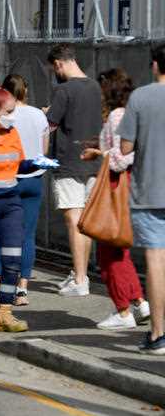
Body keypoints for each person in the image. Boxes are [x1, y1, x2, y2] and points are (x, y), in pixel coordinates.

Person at [0, 86, 59, 335]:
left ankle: (5, 313)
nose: (13, 115)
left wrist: (37, 163)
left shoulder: (11, 133)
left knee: (12, 259)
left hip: (11, 202)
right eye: (9, 111)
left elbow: (18, 165)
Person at [80, 69, 149, 330]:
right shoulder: (131, 114)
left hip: (116, 186)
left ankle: (122, 311)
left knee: (108, 252)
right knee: (119, 248)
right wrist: (101, 151)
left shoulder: (117, 117)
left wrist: (102, 154)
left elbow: (123, 157)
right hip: (131, 186)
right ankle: (139, 301)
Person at [118, 45, 165, 354]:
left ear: (156, 65)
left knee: (156, 262)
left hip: (150, 191)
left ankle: (158, 334)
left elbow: (124, 148)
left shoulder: (141, 97)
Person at [0, 75, 50, 307]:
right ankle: (22, 289)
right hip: (33, 180)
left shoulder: (3, 116)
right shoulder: (38, 115)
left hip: (6, 181)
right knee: (28, 235)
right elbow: (43, 152)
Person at [46, 44, 103, 297]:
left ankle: (80, 279)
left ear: (59, 63)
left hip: (68, 161)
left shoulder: (63, 90)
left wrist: (44, 113)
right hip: (93, 161)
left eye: (53, 68)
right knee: (85, 222)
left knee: (74, 221)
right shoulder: (95, 87)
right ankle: (80, 273)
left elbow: (50, 124)